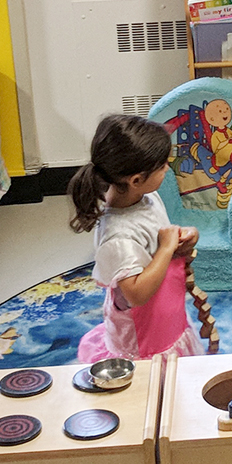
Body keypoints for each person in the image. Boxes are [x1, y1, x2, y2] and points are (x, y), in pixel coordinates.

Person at [68, 113, 201, 363]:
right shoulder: (117, 237)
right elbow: (136, 295)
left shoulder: (146, 197)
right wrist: (165, 248)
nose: (167, 169)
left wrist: (183, 238)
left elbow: (159, 237)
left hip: (165, 316)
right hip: (144, 339)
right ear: (136, 180)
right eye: (162, 167)